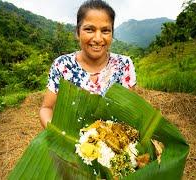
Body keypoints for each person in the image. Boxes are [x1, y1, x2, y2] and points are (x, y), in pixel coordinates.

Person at [40, 0, 137, 128]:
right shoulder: (63, 66)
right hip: (72, 143)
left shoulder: (124, 65)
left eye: (105, 30)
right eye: (89, 29)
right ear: (77, 32)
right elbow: (46, 108)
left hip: (111, 144)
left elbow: (130, 113)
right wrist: (59, 137)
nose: (97, 38)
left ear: (112, 33)